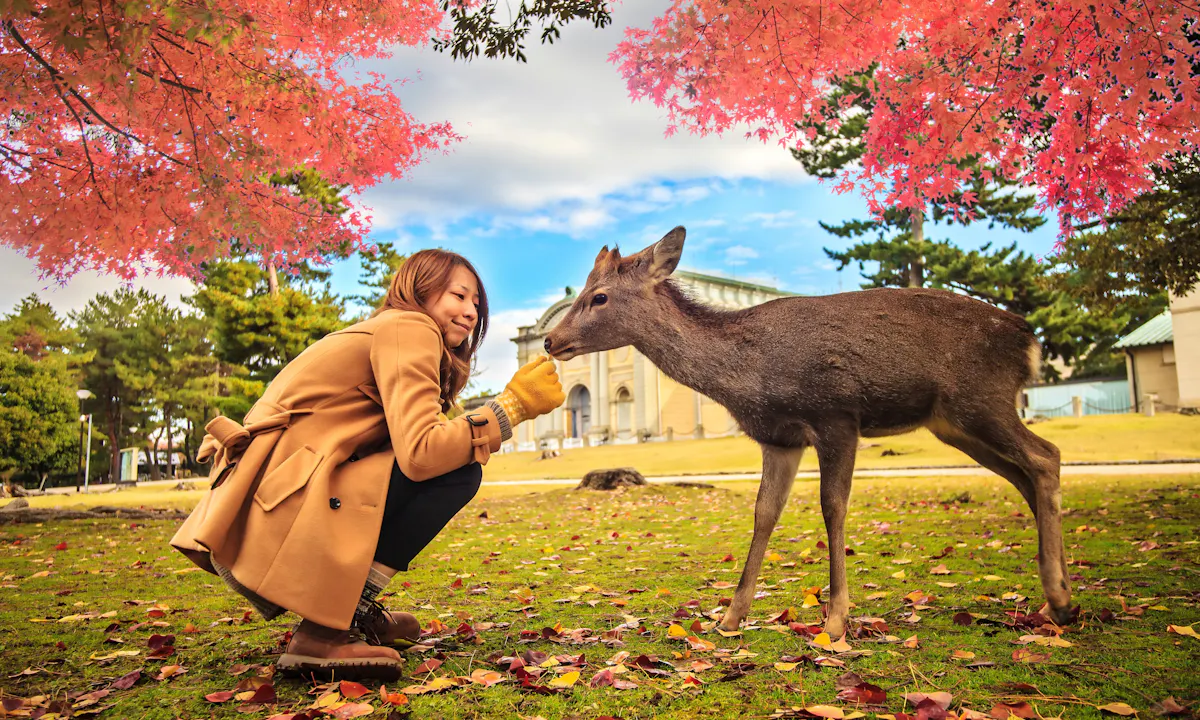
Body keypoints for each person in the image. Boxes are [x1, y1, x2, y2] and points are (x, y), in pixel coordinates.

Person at [169, 250, 565, 679]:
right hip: (285, 502)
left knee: (454, 460)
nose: (470, 312)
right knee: (458, 471)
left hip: (270, 498)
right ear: (420, 288)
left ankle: (343, 613)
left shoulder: (387, 330)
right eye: (459, 295)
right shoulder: (410, 327)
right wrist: (510, 408)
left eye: (477, 304)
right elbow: (422, 453)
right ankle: (326, 629)